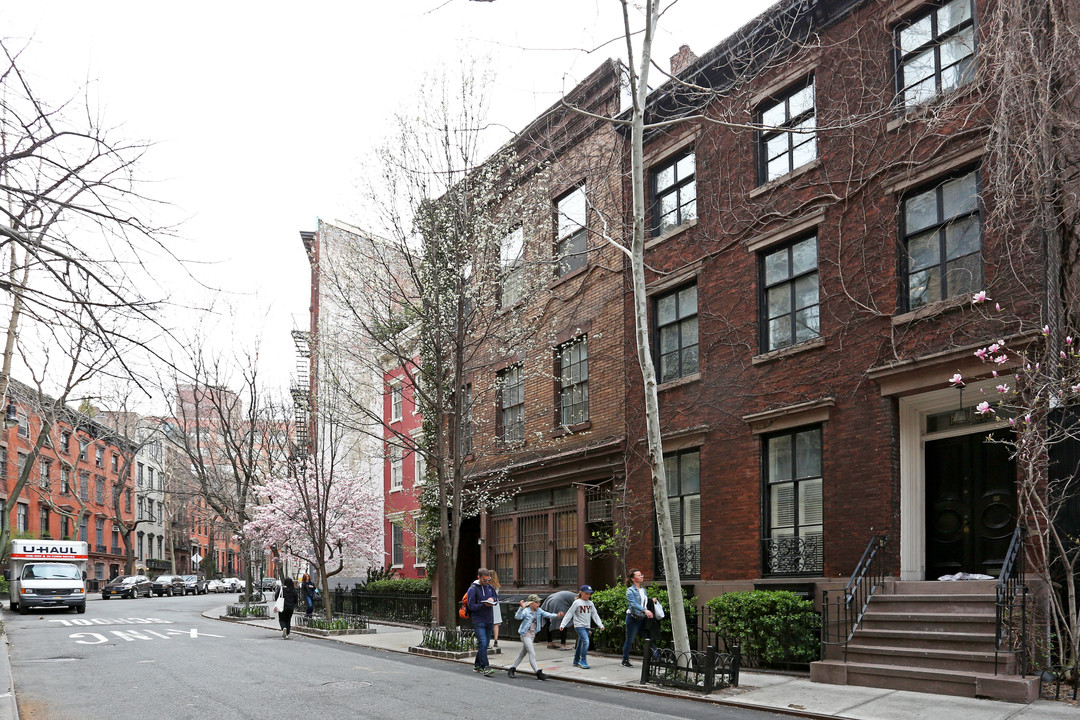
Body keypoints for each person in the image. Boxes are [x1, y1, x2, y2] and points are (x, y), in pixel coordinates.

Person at [507, 594, 562, 680]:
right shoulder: (526, 611)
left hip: (532, 635)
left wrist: (556, 615)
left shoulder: (538, 610)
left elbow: (547, 614)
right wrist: (521, 608)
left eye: (539, 602)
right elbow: (517, 617)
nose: (538, 604)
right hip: (525, 634)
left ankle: (512, 669)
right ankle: (538, 673)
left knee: (522, 654)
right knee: (532, 653)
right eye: (536, 602)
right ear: (531, 603)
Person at [559, 584, 604, 669]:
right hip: (579, 626)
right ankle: (583, 660)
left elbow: (595, 615)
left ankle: (576, 660)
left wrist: (600, 625)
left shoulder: (590, 603)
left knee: (580, 643)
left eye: (590, 594)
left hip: (587, 626)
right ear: (581, 593)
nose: (588, 595)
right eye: (586, 593)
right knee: (586, 641)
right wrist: (563, 624)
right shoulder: (577, 603)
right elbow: (569, 614)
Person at [465, 568, 499, 676]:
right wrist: (483, 604)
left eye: (488, 579)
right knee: (483, 643)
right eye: (484, 580)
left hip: (489, 619)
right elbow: (471, 606)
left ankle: (477, 665)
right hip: (478, 620)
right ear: (479, 577)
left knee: (484, 644)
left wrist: (493, 600)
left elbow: (496, 599)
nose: (487, 582)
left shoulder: (490, 587)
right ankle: (486, 667)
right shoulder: (472, 589)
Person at [621, 568, 653, 668]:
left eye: (641, 574)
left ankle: (657, 658)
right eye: (639, 575)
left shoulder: (643, 590)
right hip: (633, 618)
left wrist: (652, 600)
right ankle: (625, 660)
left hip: (642, 618)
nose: (641, 576)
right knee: (630, 640)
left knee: (648, 638)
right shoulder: (630, 591)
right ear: (633, 579)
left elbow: (645, 601)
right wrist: (645, 610)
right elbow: (633, 604)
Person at [489, 570, 503, 651]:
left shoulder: (487, 585)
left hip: (488, 604)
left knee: (488, 622)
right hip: (496, 604)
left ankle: (487, 639)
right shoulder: (497, 586)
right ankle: (496, 640)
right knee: (496, 623)